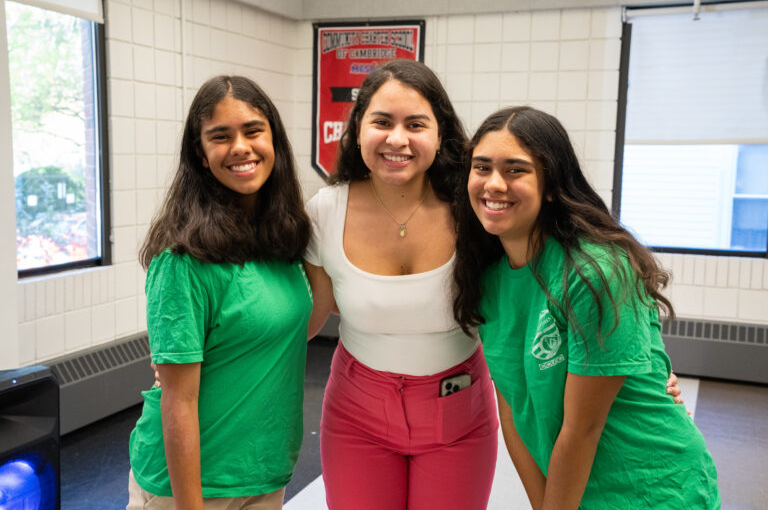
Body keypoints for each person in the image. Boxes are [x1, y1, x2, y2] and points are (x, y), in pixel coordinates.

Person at [453, 106, 720, 509]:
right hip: (572, 493)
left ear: (549, 183)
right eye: (482, 167)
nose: (494, 184)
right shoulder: (488, 279)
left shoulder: (596, 271)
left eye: (515, 170)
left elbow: (583, 428)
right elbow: (512, 409)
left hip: (655, 489)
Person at [303, 59, 500, 509]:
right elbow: (307, 316)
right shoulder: (325, 211)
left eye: (415, 124)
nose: (397, 139)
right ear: (356, 131)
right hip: (356, 414)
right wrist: (204, 362)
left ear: (440, 135)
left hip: (460, 411)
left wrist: (646, 369)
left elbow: (543, 287)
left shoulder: (473, 209)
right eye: (382, 122)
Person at [127, 75, 312, 510]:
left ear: (274, 139)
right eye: (220, 136)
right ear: (200, 151)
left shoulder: (281, 240)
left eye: (252, 131)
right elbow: (178, 400)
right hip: (191, 488)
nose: (240, 148)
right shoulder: (183, 259)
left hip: (263, 472)